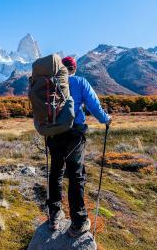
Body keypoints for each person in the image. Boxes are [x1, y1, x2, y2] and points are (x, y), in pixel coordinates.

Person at [47, 56, 112, 237]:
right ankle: (79, 221)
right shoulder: (80, 82)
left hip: (53, 134)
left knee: (56, 171)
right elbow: (95, 107)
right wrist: (107, 119)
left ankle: (54, 215)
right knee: (76, 175)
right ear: (74, 68)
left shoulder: (51, 83)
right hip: (74, 135)